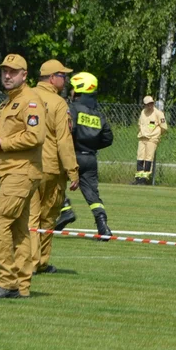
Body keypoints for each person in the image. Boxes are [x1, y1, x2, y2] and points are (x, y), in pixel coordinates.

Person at [0, 54, 46, 299]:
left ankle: (7, 282)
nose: (7, 75)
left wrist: (3, 143)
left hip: (22, 173)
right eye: (4, 71)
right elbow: (5, 142)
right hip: (9, 171)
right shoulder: (6, 104)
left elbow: (35, 136)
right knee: (19, 232)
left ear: (24, 75)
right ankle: (21, 286)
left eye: (13, 71)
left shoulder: (31, 101)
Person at [28, 60, 81, 274]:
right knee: (48, 216)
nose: (65, 79)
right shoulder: (59, 104)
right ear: (52, 78)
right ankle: (39, 263)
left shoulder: (25, 97)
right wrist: (73, 170)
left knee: (30, 217)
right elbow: (64, 141)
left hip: (27, 167)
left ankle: (28, 262)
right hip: (50, 168)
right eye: (63, 75)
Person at [68, 71, 115, 239]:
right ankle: (102, 225)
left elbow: (68, 131)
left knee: (53, 182)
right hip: (90, 158)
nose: (70, 92)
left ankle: (65, 211)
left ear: (79, 91)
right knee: (92, 195)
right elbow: (108, 138)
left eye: (72, 89)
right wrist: (92, 145)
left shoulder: (72, 109)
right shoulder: (98, 115)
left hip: (72, 156)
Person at [133, 95, 168, 185]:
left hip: (152, 139)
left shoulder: (158, 113)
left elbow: (164, 127)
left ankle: (144, 179)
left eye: (152, 103)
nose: (150, 105)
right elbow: (140, 124)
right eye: (148, 104)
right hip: (142, 137)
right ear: (144, 105)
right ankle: (138, 178)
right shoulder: (143, 112)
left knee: (148, 158)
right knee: (140, 157)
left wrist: (156, 135)